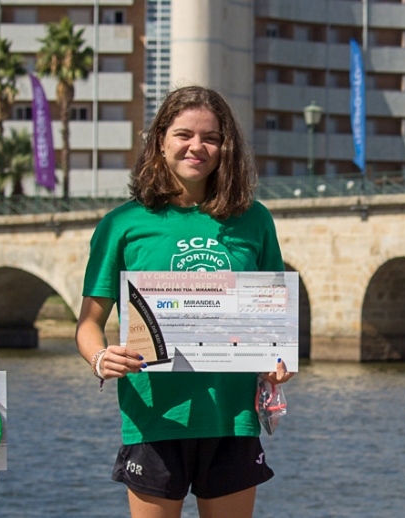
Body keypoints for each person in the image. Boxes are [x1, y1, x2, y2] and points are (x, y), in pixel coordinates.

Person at [76, 85, 293, 518]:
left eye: (211, 138)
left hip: (232, 418)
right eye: (183, 135)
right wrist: (100, 358)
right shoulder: (122, 223)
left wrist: (278, 361)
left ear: (226, 148)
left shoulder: (255, 219)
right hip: (154, 417)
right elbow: (88, 324)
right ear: (160, 140)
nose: (197, 147)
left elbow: (273, 324)